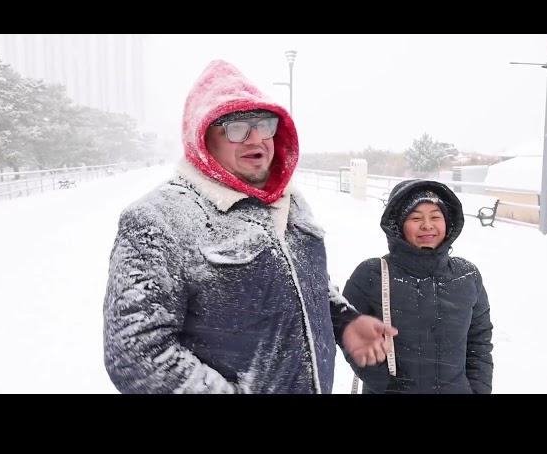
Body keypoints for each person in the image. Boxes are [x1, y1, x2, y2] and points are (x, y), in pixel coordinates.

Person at [103, 59, 395, 394]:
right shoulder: (160, 217)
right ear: (202, 138)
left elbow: (307, 285)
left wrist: (345, 322)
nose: (256, 138)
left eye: (263, 124)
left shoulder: (291, 204)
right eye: (236, 127)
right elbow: (136, 352)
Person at [340, 179, 493, 393]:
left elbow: (479, 342)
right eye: (416, 218)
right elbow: (349, 334)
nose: (427, 225)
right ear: (398, 225)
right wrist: (385, 385)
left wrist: (478, 390)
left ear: (448, 223)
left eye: (435, 217)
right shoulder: (371, 275)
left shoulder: (467, 275)